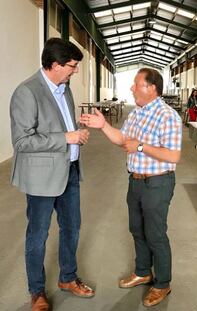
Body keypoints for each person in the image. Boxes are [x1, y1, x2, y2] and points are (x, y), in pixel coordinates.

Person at [80, 68, 182, 307]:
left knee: (155, 234)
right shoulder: (137, 113)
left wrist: (140, 147)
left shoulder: (168, 116)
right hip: (135, 180)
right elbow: (122, 140)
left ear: (152, 88)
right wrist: (103, 125)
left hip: (158, 182)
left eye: (136, 84)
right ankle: (143, 271)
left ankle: (163, 283)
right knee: (137, 229)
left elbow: (173, 155)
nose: (132, 88)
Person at [10, 38, 94, 311]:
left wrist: (77, 135)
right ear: (55, 65)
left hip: (69, 171)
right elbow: (22, 142)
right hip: (42, 178)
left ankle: (67, 278)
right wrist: (66, 137)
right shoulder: (27, 92)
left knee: (72, 227)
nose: (75, 71)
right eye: (72, 66)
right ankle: (37, 292)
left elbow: (63, 128)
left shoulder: (65, 89)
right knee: (38, 235)